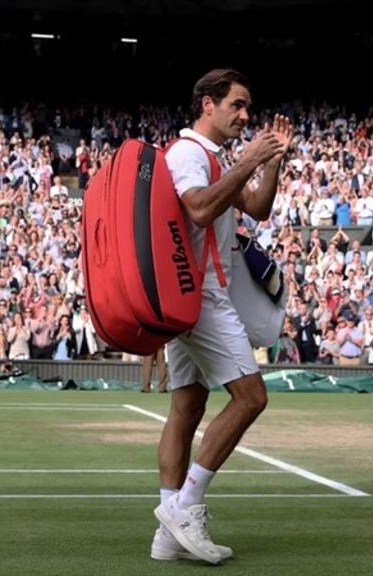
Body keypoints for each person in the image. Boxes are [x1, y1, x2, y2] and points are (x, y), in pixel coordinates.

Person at [151, 69, 291, 565]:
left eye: (248, 106)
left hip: (192, 292)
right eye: (237, 104)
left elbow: (257, 206)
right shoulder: (189, 153)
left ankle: (168, 533)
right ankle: (185, 505)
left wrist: (269, 161)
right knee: (251, 397)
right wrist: (249, 158)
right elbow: (198, 210)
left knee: (187, 408)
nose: (245, 115)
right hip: (200, 294)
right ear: (207, 104)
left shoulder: (214, 156)